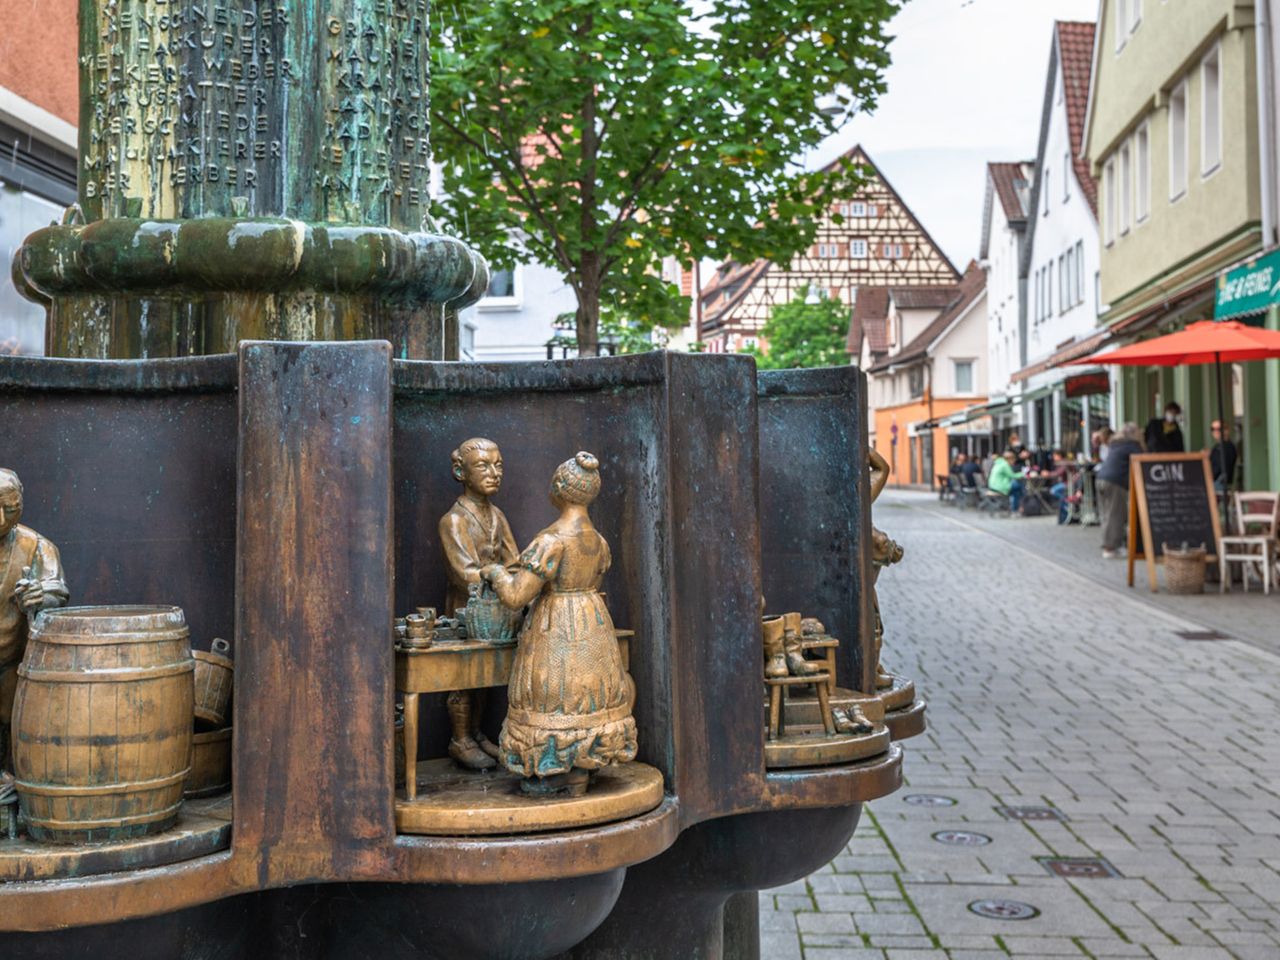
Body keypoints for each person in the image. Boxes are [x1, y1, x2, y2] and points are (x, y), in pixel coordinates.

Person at [482, 452, 637, 797]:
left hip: (557, 626)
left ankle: (555, 770)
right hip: (592, 620)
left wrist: (494, 573)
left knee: (556, 694)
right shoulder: (597, 540)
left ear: (559, 489)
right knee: (587, 694)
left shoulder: (552, 540)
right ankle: (582, 766)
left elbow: (516, 595)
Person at [439, 438, 520, 770]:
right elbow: (464, 573)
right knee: (464, 675)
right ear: (461, 472)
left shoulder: (497, 516)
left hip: (497, 612)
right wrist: (497, 575)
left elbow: (514, 561)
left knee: (485, 675)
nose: (494, 473)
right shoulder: (454, 521)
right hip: (466, 610)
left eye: (498, 465)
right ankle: (460, 739)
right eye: (483, 466)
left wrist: (520, 578)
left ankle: (476, 732)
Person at [0, 468, 69, 771]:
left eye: (10, 509)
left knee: (11, 718)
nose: (1, 519)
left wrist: (39, 595)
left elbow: (57, 590)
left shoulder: (38, 547)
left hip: (12, 660)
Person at [1095, 423, 1144, 558]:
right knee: (1115, 515)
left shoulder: (1116, 443)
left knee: (1106, 514)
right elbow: (1143, 459)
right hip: (1116, 482)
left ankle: (1108, 543)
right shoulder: (1133, 445)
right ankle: (1110, 548)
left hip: (1101, 478)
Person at [1209, 420, 1239, 492]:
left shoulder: (1227, 447)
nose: (1215, 431)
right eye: (1213, 429)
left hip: (1220, 483)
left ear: (1226, 430)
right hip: (1216, 482)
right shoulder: (1217, 446)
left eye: (1219, 429)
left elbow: (1219, 467)